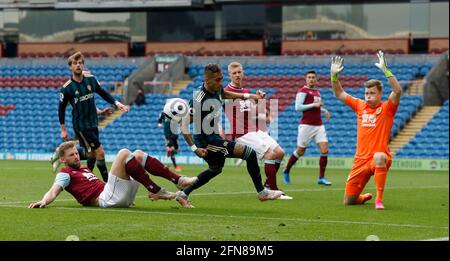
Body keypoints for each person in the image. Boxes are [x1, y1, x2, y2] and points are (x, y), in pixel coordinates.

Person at [174, 63, 283, 208]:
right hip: (206, 142)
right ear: (207, 80)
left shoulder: (216, 87)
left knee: (215, 169)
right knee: (249, 153)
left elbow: (224, 94)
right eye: (217, 80)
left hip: (214, 137)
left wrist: (248, 96)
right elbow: (183, 125)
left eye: (222, 79)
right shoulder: (199, 100)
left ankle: (183, 194)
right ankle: (262, 192)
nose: (221, 83)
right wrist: (195, 148)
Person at [29, 141, 198, 209]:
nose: (76, 156)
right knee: (124, 153)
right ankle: (157, 189)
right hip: (107, 199)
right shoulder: (65, 173)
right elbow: (54, 190)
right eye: (71, 155)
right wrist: (44, 201)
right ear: (63, 159)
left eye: (76, 153)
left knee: (138, 154)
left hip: (117, 195)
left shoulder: (84, 169)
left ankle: (178, 180)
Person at [330, 51, 401, 210]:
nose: (368, 96)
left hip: (378, 158)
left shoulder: (387, 108)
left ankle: (379, 200)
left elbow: (397, 91)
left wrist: (386, 71)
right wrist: (334, 76)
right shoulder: (360, 106)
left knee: (379, 156)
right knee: (349, 201)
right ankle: (362, 197)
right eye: (366, 93)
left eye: (372, 93)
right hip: (360, 160)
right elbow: (339, 93)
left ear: (380, 93)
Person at [56, 51, 129, 182]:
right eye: (75, 63)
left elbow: (102, 93)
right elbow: (61, 109)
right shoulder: (67, 88)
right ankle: (109, 184)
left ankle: (84, 178)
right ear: (70, 67)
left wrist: (116, 104)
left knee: (91, 154)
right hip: (81, 125)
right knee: (100, 151)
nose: (78, 65)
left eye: (80, 63)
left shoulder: (91, 79)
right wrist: (63, 129)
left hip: (93, 122)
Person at [224, 62, 292, 200]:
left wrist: (260, 100)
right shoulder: (227, 92)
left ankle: (268, 185)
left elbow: (253, 113)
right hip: (242, 133)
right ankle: (273, 189)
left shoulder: (245, 91)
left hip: (255, 129)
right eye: (234, 73)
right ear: (229, 75)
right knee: (270, 155)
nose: (237, 75)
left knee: (280, 153)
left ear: (243, 73)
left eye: (239, 72)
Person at [282, 70, 332, 186]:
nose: (311, 79)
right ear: (306, 79)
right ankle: (287, 169)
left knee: (325, 150)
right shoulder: (302, 91)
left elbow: (317, 107)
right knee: (300, 151)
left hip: (319, 125)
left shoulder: (317, 92)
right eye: (309, 77)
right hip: (306, 125)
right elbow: (298, 107)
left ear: (316, 79)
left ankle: (321, 177)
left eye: (313, 77)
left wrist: (324, 110)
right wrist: (314, 105)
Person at [158, 107, 181, 172]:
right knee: (172, 150)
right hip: (168, 134)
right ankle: (176, 166)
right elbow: (159, 121)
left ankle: (168, 148)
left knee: (176, 149)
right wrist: (159, 124)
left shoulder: (176, 114)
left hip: (175, 134)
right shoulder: (163, 113)